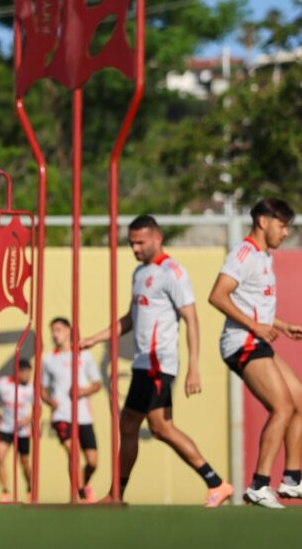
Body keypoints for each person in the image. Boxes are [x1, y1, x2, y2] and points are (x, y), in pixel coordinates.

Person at [82, 215, 234, 506]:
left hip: (156, 364)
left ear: (157, 238)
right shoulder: (139, 273)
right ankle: (216, 483)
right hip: (144, 364)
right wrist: (95, 338)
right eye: (132, 243)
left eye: (140, 242)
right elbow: (129, 319)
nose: (136, 249)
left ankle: (116, 495)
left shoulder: (172, 272)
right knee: (160, 428)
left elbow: (191, 318)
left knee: (131, 424)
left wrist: (194, 367)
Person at [208, 198, 302, 509]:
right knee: (283, 407)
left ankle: (292, 480)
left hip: (256, 338)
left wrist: (282, 324)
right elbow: (217, 295)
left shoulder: (264, 257)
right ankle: (259, 486)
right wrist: (255, 326)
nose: (285, 232)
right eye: (282, 224)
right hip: (241, 341)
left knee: (299, 401)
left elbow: (253, 304)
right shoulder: (244, 253)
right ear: (263, 222)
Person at [41, 316, 102, 502]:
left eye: (58, 329)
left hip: (83, 415)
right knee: (73, 451)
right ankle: (80, 494)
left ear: (68, 331)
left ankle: (83, 486)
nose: (54, 334)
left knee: (92, 461)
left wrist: (84, 390)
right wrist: (50, 401)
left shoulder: (84, 355)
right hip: (62, 415)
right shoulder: (49, 359)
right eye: (52, 330)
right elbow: (42, 388)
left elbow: (97, 383)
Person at [0, 358, 35, 501]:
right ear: (18, 372)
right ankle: (5, 491)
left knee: (24, 462)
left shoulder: (31, 388)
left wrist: (29, 419)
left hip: (22, 430)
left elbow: (38, 408)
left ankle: (30, 487)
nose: (28, 376)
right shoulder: (3, 383)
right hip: (5, 428)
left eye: (30, 373)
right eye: (26, 373)